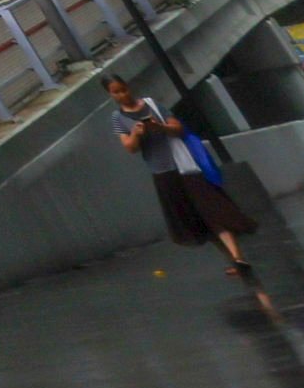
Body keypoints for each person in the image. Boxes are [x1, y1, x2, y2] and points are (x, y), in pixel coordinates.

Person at [108, 76, 259, 286]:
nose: (122, 95)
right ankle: (234, 260)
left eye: (123, 89)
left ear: (129, 87)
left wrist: (159, 127)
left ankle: (238, 257)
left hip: (185, 166)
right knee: (197, 219)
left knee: (213, 211)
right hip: (162, 172)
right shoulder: (118, 118)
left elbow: (177, 127)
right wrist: (136, 133)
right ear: (110, 95)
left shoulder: (151, 104)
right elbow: (130, 148)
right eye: (116, 92)